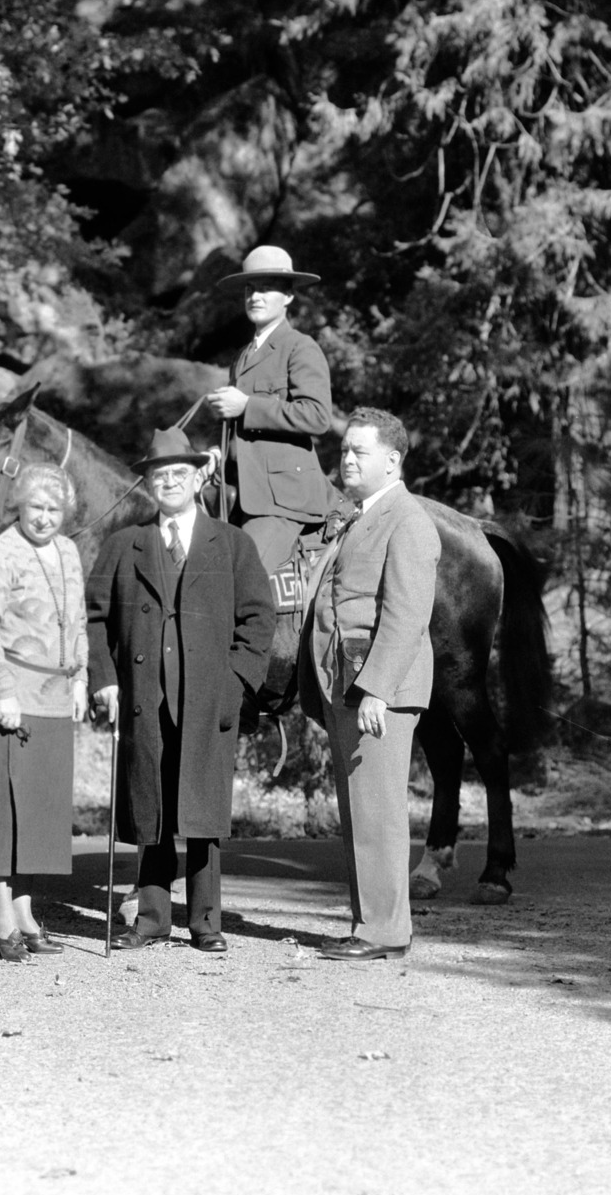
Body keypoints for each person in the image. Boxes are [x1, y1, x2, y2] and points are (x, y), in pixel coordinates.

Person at [87, 428, 276, 953]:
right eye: (158, 474)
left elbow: (258, 619)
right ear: (147, 483)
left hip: (208, 699)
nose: (168, 482)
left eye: (178, 473)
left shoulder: (232, 544)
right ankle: (150, 919)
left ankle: (205, 922)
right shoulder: (125, 545)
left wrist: (236, 681)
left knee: (203, 810)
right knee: (151, 804)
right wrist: (104, 679)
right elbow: (96, 617)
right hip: (146, 696)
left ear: (198, 478)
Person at [299, 407, 439, 962]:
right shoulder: (360, 515)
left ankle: (385, 930)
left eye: (360, 451)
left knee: (378, 810)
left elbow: (406, 614)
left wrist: (377, 689)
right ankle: (370, 923)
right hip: (345, 685)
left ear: (393, 460)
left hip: (377, 691)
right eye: (345, 450)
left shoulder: (407, 520)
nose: (347, 459)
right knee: (360, 809)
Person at [0, 463, 87, 962]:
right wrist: (4, 691)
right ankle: (1, 914)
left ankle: (27, 912)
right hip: (4, 698)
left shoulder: (69, 551)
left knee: (36, 814)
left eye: (54, 510)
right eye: (36, 508)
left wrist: (81, 679)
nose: (45, 518)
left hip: (54, 699)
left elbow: (78, 623)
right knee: (1, 812)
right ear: (19, 507)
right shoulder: (0, 553)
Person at [200, 245, 344, 576]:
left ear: (289, 296)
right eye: (250, 289)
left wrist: (248, 405)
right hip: (241, 495)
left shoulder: (300, 347)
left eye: (267, 288)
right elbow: (232, 424)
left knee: (241, 583)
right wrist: (213, 454)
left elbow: (317, 416)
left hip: (282, 500)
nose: (256, 296)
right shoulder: (242, 356)